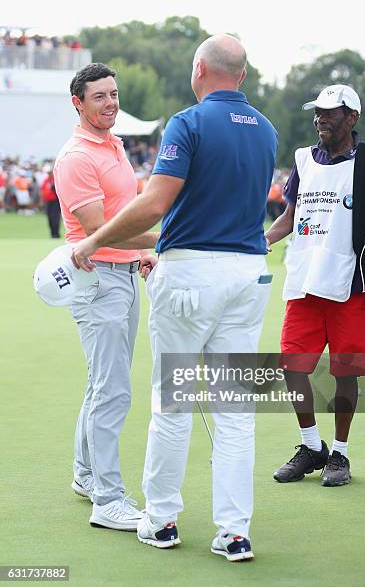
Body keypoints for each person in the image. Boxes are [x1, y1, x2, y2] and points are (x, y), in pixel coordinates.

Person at [72, 35, 278, 561]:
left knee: (173, 405)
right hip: (249, 275)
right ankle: (234, 532)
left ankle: (161, 519)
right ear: (244, 76)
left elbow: (156, 203)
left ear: (199, 69)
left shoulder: (187, 123)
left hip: (191, 275)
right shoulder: (268, 130)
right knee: (234, 412)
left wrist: (94, 239)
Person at [265, 84, 365, 487]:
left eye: (330, 112)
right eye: (318, 112)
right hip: (305, 281)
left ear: (351, 118)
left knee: (346, 372)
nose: (321, 118)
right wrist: (261, 240)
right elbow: (290, 216)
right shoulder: (303, 160)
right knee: (292, 365)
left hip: (353, 284)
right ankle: (311, 447)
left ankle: (339, 453)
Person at [53, 63, 158, 531]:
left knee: (102, 384)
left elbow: (125, 209)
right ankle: (108, 499)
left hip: (122, 274)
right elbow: (97, 230)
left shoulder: (113, 143)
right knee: (112, 390)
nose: (111, 103)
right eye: (100, 97)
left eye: (113, 94)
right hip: (98, 282)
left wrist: (139, 256)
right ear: (78, 102)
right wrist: (160, 241)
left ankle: (85, 475)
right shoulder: (76, 157)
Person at [41, 171, 61, 237]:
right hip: (48, 202)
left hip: (55, 201)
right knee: (49, 218)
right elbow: (42, 190)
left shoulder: (55, 180)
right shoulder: (46, 180)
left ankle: (56, 233)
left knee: (56, 217)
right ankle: (52, 233)